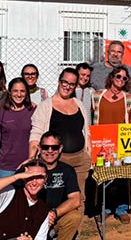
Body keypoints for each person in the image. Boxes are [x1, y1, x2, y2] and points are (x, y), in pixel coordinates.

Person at [29, 67, 92, 195]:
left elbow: (86, 132)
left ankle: (77, 215)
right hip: (55, 160)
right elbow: (36, 134)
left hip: (80, 160)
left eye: (72, 84)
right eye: (65, 82)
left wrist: (89, 156)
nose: (67, 86)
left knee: (79, 197)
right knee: (56, 197)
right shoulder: (46, 106)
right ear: (59, 81)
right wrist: (32, 159)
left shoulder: (79, 104)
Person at [91, 66, 131, 223]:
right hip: (101, 144)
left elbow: (130, 120)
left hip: (120, 144)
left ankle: (121, 208)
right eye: (118, 76)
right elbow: (91, 117)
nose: (121, 80)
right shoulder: (96, 96)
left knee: (122, 176)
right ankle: (105, 208)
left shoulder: (128, 99)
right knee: (104, 177)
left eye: (125, 78)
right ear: (111, 77)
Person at [37, 131, 83, 240]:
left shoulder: (66, 170)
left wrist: (54, 213)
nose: (50, 151)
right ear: (39, 148)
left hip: (55, 218)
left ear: (60, 149)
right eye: (45, 147)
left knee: (74, 215)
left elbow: (75, 200)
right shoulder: (30, 169)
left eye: (54, 147)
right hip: (32, 219)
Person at [0, 78, 35, 178]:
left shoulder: (33, 110)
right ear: (10, 92)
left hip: (28, 163)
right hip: (6, 166)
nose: (19, 94)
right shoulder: (1, 112)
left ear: (26, 93)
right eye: (15, 91)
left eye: (22, 91)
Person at [90, 40, 131, 113]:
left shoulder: (130, 71)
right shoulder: (95, 69)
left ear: (123, 54)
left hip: (122, 116)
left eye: (119, 52)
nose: (115, 54)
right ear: (108, 52)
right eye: (113, 51)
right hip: (99, 116)